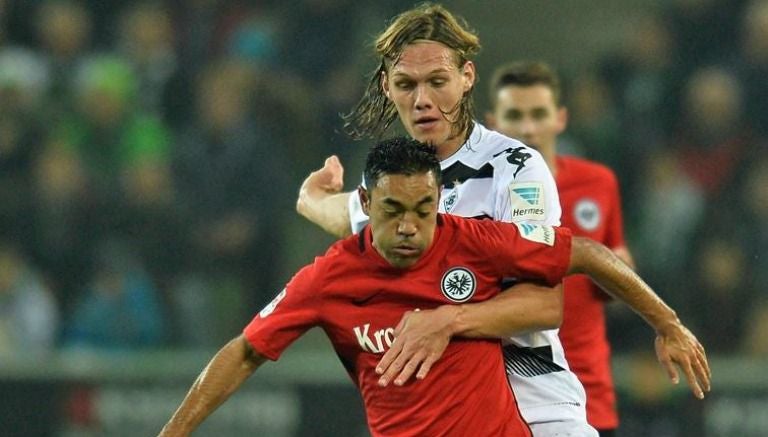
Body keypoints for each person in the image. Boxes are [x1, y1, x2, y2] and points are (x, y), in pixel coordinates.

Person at [295, 4, 709, 436]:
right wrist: (309, 197)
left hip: (532, 405)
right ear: (387, 86)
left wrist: (447, 320)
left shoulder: (513, 170)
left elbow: (544, 304)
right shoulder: (392, 182)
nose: (422, 101)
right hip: (438, 416)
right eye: (406, 84)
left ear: (467, 76)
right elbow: (344, 213)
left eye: (437, 82)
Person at [160, 138, 701, 437]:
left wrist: (667, 322)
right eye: (393, 211)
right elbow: (244, 352)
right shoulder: (330, 277)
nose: (410, 227)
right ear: (366, 206)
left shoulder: (473, 241)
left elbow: (585, 253)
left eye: (424, 210)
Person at [484, 60, 632, 436]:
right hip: (511, 388)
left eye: (538, 114)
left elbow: (609, 278)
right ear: (492, 123)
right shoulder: (479, 192)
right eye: (514, 115)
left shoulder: (599, 183)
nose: (528, 128)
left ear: (560, 118)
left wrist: (620, 271)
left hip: (588, 388)